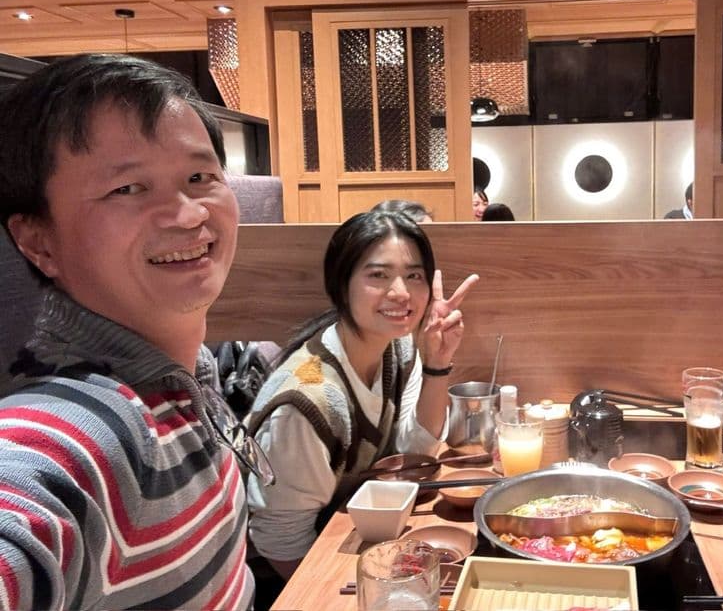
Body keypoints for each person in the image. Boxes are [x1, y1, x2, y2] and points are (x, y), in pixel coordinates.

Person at [0, 54, 256, 610]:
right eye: (129, 188)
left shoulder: (190, 374)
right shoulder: (88, 426)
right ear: (39, 242)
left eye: (199, 177)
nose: (188, 215)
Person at [244, 211, 477, 579]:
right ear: (341, 284)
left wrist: (437, 363)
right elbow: (280, 540)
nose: (401, 293)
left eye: (414, 276)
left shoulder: (397, 346)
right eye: (378, 275)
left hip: (355, 538)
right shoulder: (306, 402)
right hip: (289, 574)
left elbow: (414, 451)